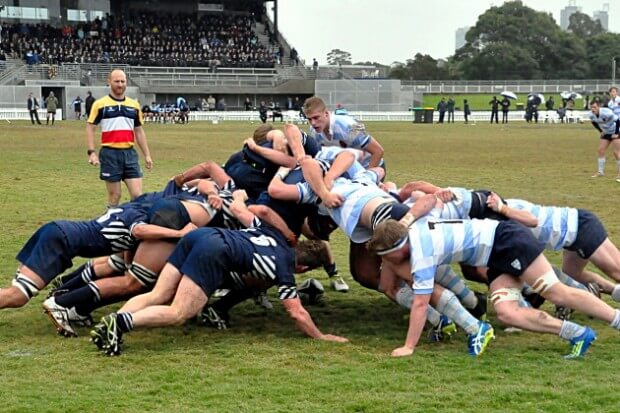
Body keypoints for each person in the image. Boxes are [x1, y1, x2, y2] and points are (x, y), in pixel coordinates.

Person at [369, 217, 620, 359]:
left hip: (507, 240)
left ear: (398, 248)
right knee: (507, 313)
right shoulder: (413, 231)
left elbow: (421, 303)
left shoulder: (421, 251)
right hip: (496, 254)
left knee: (555, 292)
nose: (387, 263)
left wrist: (409, 347)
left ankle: (617, 319)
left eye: (386, 257)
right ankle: (578, 334)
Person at [86, 69, 153, 208]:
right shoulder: (100, 104)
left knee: (137, 196)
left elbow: (139, 131)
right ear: (109, 81)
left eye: (123, 81)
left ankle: (134, 224)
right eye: (116, 81)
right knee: (115, 196)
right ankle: (109, 224)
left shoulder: (134, 105)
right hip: (110, 154)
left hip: (130, 154)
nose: (120, 84)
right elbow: (90, 127)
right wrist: (91, 152)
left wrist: (147, 155)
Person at [302, 96, 384, 168]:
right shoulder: (314, 130)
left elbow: (378, 151)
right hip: (346, 168)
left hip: (369, 166)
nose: (313, 123)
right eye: (309, 119)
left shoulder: (350, 126)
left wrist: (368, 177)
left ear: (326, 113)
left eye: (316, 118)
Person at [588, 99, 620, 181]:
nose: (593, 109)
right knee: (600, 150)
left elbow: (618, 121)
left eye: (594, 107)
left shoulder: (607, 112)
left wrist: (616, 133)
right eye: (591, 107)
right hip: (606, 133)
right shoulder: (591, 115)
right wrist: (601, 131)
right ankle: (600, 172)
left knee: (616, 152)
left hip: (616, 131)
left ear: (599, 107)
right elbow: (594, 122)